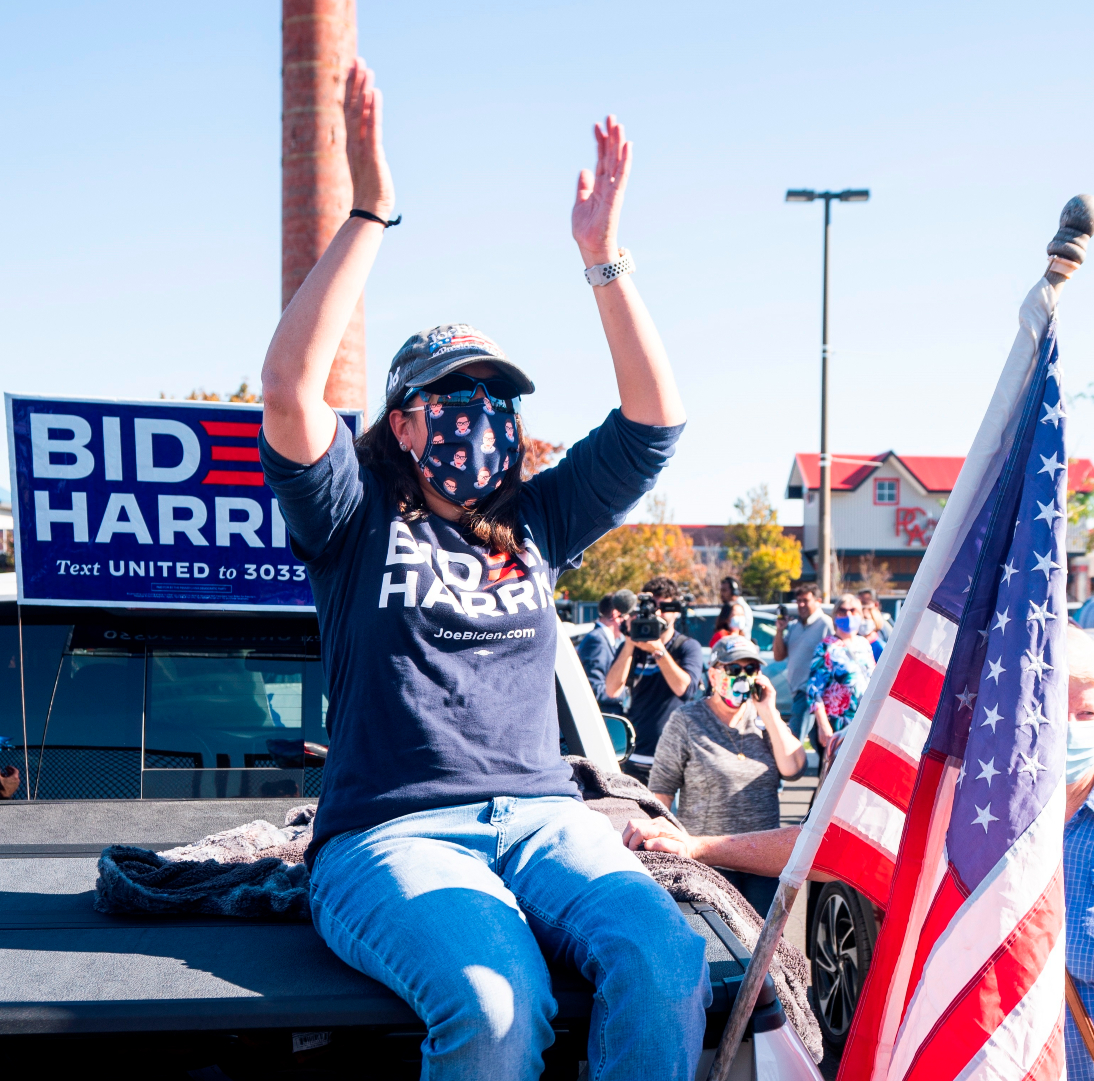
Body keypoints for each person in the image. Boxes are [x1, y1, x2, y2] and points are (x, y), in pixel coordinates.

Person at [256, 60, 707, 1081]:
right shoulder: (352, 513)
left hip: (548, 822)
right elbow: (288, 386)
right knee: (497, 1008)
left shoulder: (537, 516)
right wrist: (373, 210)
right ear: (404, 419)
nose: (483, 414)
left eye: (498, 396)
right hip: (391, 836)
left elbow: (655, 421)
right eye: (455, 394)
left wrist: (603, 258)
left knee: (668, 957)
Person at [623, 626, 1094, 1080]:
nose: (1067, 727)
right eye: (1052, 710)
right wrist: (698, 845)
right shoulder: (977, 812)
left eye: (1086, 712)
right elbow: (831, 845)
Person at [648, 636, 805, 914]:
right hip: (709, 861)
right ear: (713, 673)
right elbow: (660, 793)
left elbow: (793, 768)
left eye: (750, 670)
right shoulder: (687, 720)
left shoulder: (763, 719)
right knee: (719, 950)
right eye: (733, 669)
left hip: (762, 861)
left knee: (765, 948)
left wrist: (769, 711)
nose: (742, 677)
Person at [604, 576, 705, 769]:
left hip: (672, 757)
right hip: (635, 755)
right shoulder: (631, 646)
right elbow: (612, 690)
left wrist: (658, 651)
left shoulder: (687, 647)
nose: (657, 613)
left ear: (675, 611)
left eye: (664, 608)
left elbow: (685, 690)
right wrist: (630, 643)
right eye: (652, 607)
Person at [805, 597, 878, 768]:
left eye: (853, 611)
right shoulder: (826, 647)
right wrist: (823, 725)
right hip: (838, 724)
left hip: (863, 722)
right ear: (835, 616)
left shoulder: (864, 644)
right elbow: (814, 690)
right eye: (843, 611)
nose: (848, 615)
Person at [772, 584, 833, 738]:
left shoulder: (825, 624)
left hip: (811, 692)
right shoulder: (794, 626)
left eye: (806, 600)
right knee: (817, 742)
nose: (801, 605)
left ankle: (792, 763)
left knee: (794, 737)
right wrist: (780, 630)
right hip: (796, 691)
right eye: (798, 601)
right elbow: (779, 656)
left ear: (818, 601)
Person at [577, 590, 634, 715]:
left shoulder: (603, 639)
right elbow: (595, 689)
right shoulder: (597, 640)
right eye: (627, 616)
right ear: (615, 614)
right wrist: (631, 694)